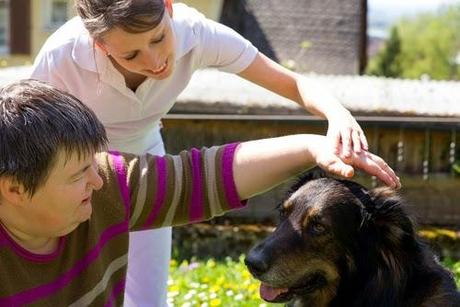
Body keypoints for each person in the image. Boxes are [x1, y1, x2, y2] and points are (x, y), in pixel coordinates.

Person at [31, 1, 370, 305]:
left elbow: (292, 83)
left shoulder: (196, 34)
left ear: (168, 7)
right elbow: (26, 139)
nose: (154, 61)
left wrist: (337, 114)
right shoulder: (62, 56)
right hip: (78, 175)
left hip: (149, 169)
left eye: (158, 38)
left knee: (149, 298)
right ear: (99, 45)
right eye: (131, 55)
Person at [0, 79, 399, 306]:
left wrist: (312, 147)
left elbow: (198, 177)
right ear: (14, 188)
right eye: (78, 175)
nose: (99, 180)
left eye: (95, 163)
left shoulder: (107, 186)